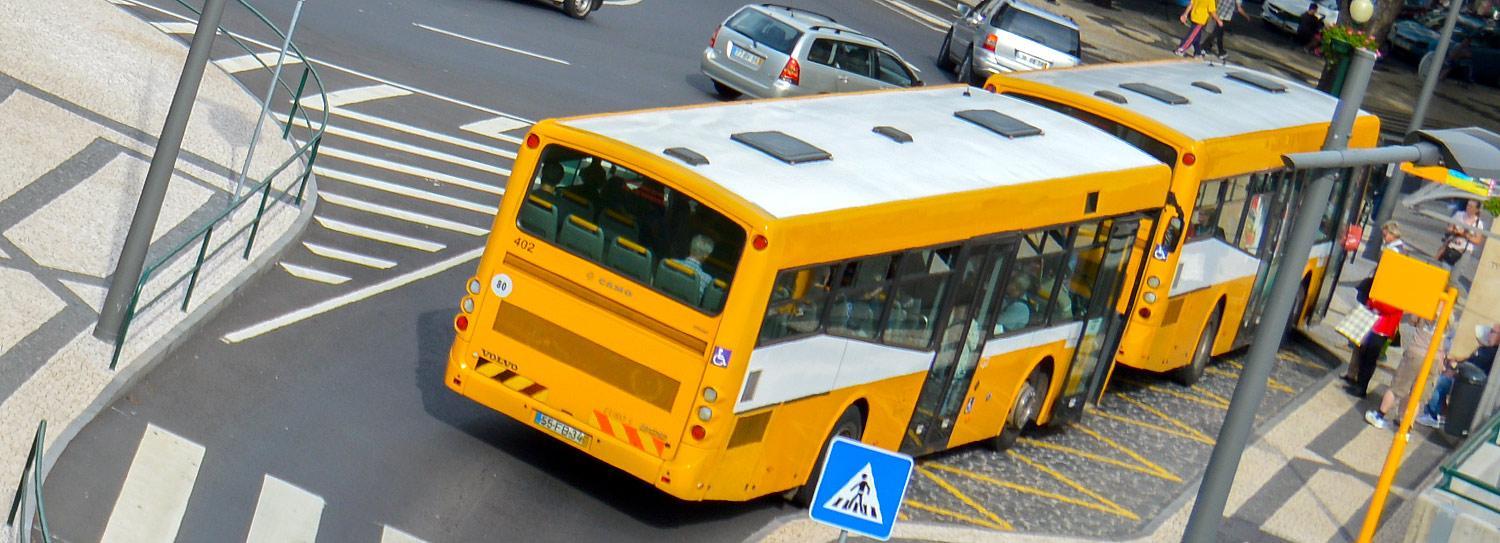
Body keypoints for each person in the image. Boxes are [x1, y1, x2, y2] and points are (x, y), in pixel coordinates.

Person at [1343, 223, 1406, 397]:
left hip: (1381, 327)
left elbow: (1389, 307)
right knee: (1364, 353)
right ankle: (1357, 381)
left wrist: (1373, 302)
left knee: (1369, 357)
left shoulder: (1395, 288)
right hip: (1377, 324)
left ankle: (1361, 386)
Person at [1417, 323, 1500, 428]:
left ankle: (1433, 414)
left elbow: (1475, 368)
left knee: (1441, 382)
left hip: (1470, 383)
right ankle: (1439, 412)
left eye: (1492, 332)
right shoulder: (1483, 349)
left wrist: (1455, 369)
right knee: (1440, 377)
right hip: (1463, 377)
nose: (1489, 334)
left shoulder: (1492, 353)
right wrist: (1453, 362)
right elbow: (1468, 360)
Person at [1365, 316, 1438, 429]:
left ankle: (1380, 415)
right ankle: (1406, 426)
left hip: (1416, 353)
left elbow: (1412, 320)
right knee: (1417, 395)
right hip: (1435, 359)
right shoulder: (1450, 318)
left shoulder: (1429, 308)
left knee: (1397, 388)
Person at [1438, 199, 1485, 267]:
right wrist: (1454, 230)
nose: (1468, 208)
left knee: (1454, 275)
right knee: (1443, 269)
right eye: (1468, 205)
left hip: (1464, 251)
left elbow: (1477, 241)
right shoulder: (1459, 215)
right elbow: (1449, 228)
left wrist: (1464, 234)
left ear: (1476, 210)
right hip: (1451, 246)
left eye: (1471, 206)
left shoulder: (1478, 224)